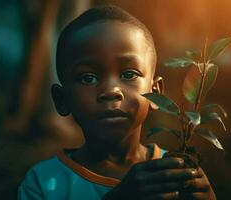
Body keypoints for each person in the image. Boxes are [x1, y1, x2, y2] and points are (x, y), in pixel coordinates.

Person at [18, 5, 216, 200]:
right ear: (62, 100)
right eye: (88, 78)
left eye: (129, 74)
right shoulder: (43, 185)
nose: (112, 91)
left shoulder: (177, 174)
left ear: (157, 94)